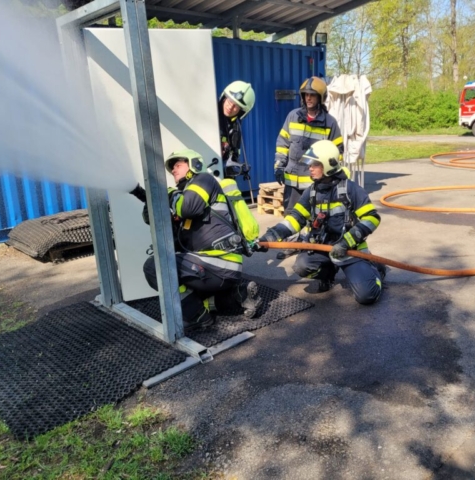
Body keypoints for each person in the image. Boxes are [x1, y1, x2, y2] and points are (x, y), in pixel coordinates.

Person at [134, 149, 262, 331]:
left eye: (178, 165)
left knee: (153, 266)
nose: (173, 170)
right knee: (195, 297)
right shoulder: (185, 198)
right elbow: (175, 240)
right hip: (215, 267)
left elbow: (187, 207)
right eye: (172, 168)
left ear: (193, 163)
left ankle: (198, 317)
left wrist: (168, 193)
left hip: (218, 262)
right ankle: (239, 295)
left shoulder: (203, 180)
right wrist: (152, 207)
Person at [259, 140, 385, 305]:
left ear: (329, 165)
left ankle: (376, 270)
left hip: (350, 250)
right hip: (323, 249)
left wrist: (347, 242)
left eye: (315, 164)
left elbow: (372, 218)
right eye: (310, 164)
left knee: (366, 296)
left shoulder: (350, 189)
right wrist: (271, 236)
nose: (310, 168)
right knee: (302, 266)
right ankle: (328, 274)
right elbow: (295, 219)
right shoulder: (312, 192)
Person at [273, 76, 344, 260]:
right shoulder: (293, 116)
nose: (309, 98)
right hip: (292, 178)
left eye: (313, 95)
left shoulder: (330, 122)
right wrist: (279, 166)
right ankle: (291, 245)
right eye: (306, 95)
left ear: (321, 97)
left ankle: (306, 244)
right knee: (290, 213)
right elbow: (282, 143)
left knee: (313, 215)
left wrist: (330, 175)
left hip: (314, 181)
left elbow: (338, 151)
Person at [218, 81, 255, 179]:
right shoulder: (211, 115)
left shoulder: (235, 128)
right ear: (224, 98)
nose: (230, 107)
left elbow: (233, 156)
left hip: (222, 175)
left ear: (241, 112)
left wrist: (238, 168)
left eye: (236, 106)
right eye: (230, 101)